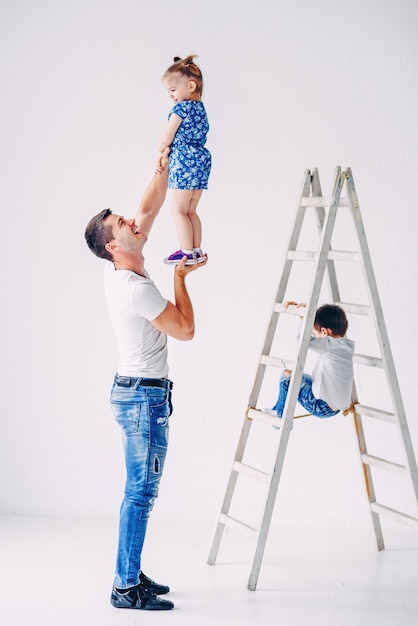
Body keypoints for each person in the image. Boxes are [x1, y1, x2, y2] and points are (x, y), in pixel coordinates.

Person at [84, 149, 207, 611]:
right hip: (143, 399)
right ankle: (124, 587)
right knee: (140, 493)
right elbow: (185, 329)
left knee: (140, 492)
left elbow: (151, 207)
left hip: (135, 392)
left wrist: (163, 168)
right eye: (123, 225)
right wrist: (181, 276)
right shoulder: (136, 288)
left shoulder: (118, 265)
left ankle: (129, 572)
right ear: (115, 244)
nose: (134, 223)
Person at [156, 55, 211, 266]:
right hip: (201, 161)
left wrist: (161, 148)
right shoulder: (201, 109)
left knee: (178, 210)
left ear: (190, 86)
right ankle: (197, 250)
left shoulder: (180, 109)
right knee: (191, 211)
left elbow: (167, 136)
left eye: (172, 90)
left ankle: (186, 252)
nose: (170, 96)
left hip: (185, 162)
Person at [270, 302, 354, 420]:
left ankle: (279, 413)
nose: (314, 336)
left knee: (287, 376)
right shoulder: (347, 344)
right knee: (299, 377)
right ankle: (277, 410)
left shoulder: (329, 345)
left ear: (325, 332)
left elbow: (301, 340)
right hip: (335, 405)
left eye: (314, 333)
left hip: (322, 406)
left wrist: (304, 319)